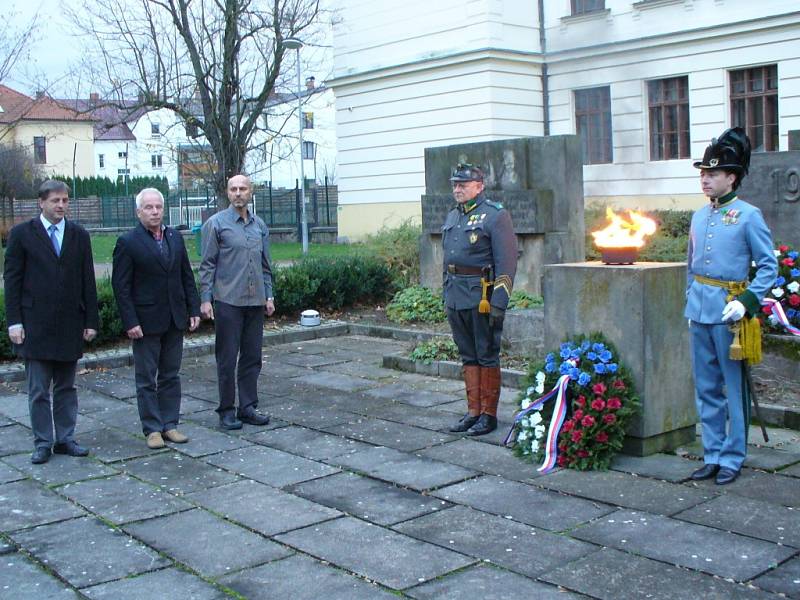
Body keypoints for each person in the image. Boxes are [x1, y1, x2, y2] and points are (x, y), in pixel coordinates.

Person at [686, 127, 778, 485]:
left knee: (733, 386)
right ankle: (711, 452)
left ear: (732, 177)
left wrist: (747, 302)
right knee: (706, 386)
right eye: (703, 174)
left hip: (730, 312)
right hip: (699, 310)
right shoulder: (698, 216)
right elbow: (690, 265)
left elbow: (767, 266)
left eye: (712, 174)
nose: (705, 180)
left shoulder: (749, 216)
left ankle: (733, 456)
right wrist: (688, 301)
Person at [4, 180, 99, 464]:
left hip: (70, 323)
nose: (61, 205)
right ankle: (43, 442)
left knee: (66, 387)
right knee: (38, 389)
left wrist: (91, 320)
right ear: (41, 203)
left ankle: (65, 438)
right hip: (35, 325)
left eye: (65, 200)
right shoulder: (22, 234)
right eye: (55, 200)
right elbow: (13, 281)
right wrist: (14, 322)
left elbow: (87, 280)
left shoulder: (79, 235)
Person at [112, 188, 201, 449]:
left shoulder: (174, 237)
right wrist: (130, 321)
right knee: (146, 378)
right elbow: (121, 286)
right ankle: (152, 428)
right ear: (138, 211)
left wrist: (193, 309)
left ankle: (170, 424)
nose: (154, 212)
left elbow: (186, 276)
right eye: (148, 207)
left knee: (171, 375)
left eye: (158, 207)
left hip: (175, 318)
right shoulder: (128, 242)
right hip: (145, 321)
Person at [443, 163, 517, 436]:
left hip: (481, 297)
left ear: (479, 186)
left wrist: (499, 301)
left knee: (486, 355)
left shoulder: (495, 216)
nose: (457, 189)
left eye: (463, 184)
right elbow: (447, 260)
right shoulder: (453, 217)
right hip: (455, 296)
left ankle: (489, 415)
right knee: (468, 355)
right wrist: (445, 293)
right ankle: (473, 411)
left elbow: (507, 262)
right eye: (455, 184)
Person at [199, 174, 275, 430]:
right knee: (227, 359)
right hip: (228, 301)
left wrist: (269, 294)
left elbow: (266, 265)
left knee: (252, 357)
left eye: (243, 188)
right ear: (228, 193)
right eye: (234, 189)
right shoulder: (216, 224)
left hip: (255, 302)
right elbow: (207, 264)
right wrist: (206, 299)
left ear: (251, 192)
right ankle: (226, 410)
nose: (238, 193)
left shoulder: (259, 226)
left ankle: (248, 407)